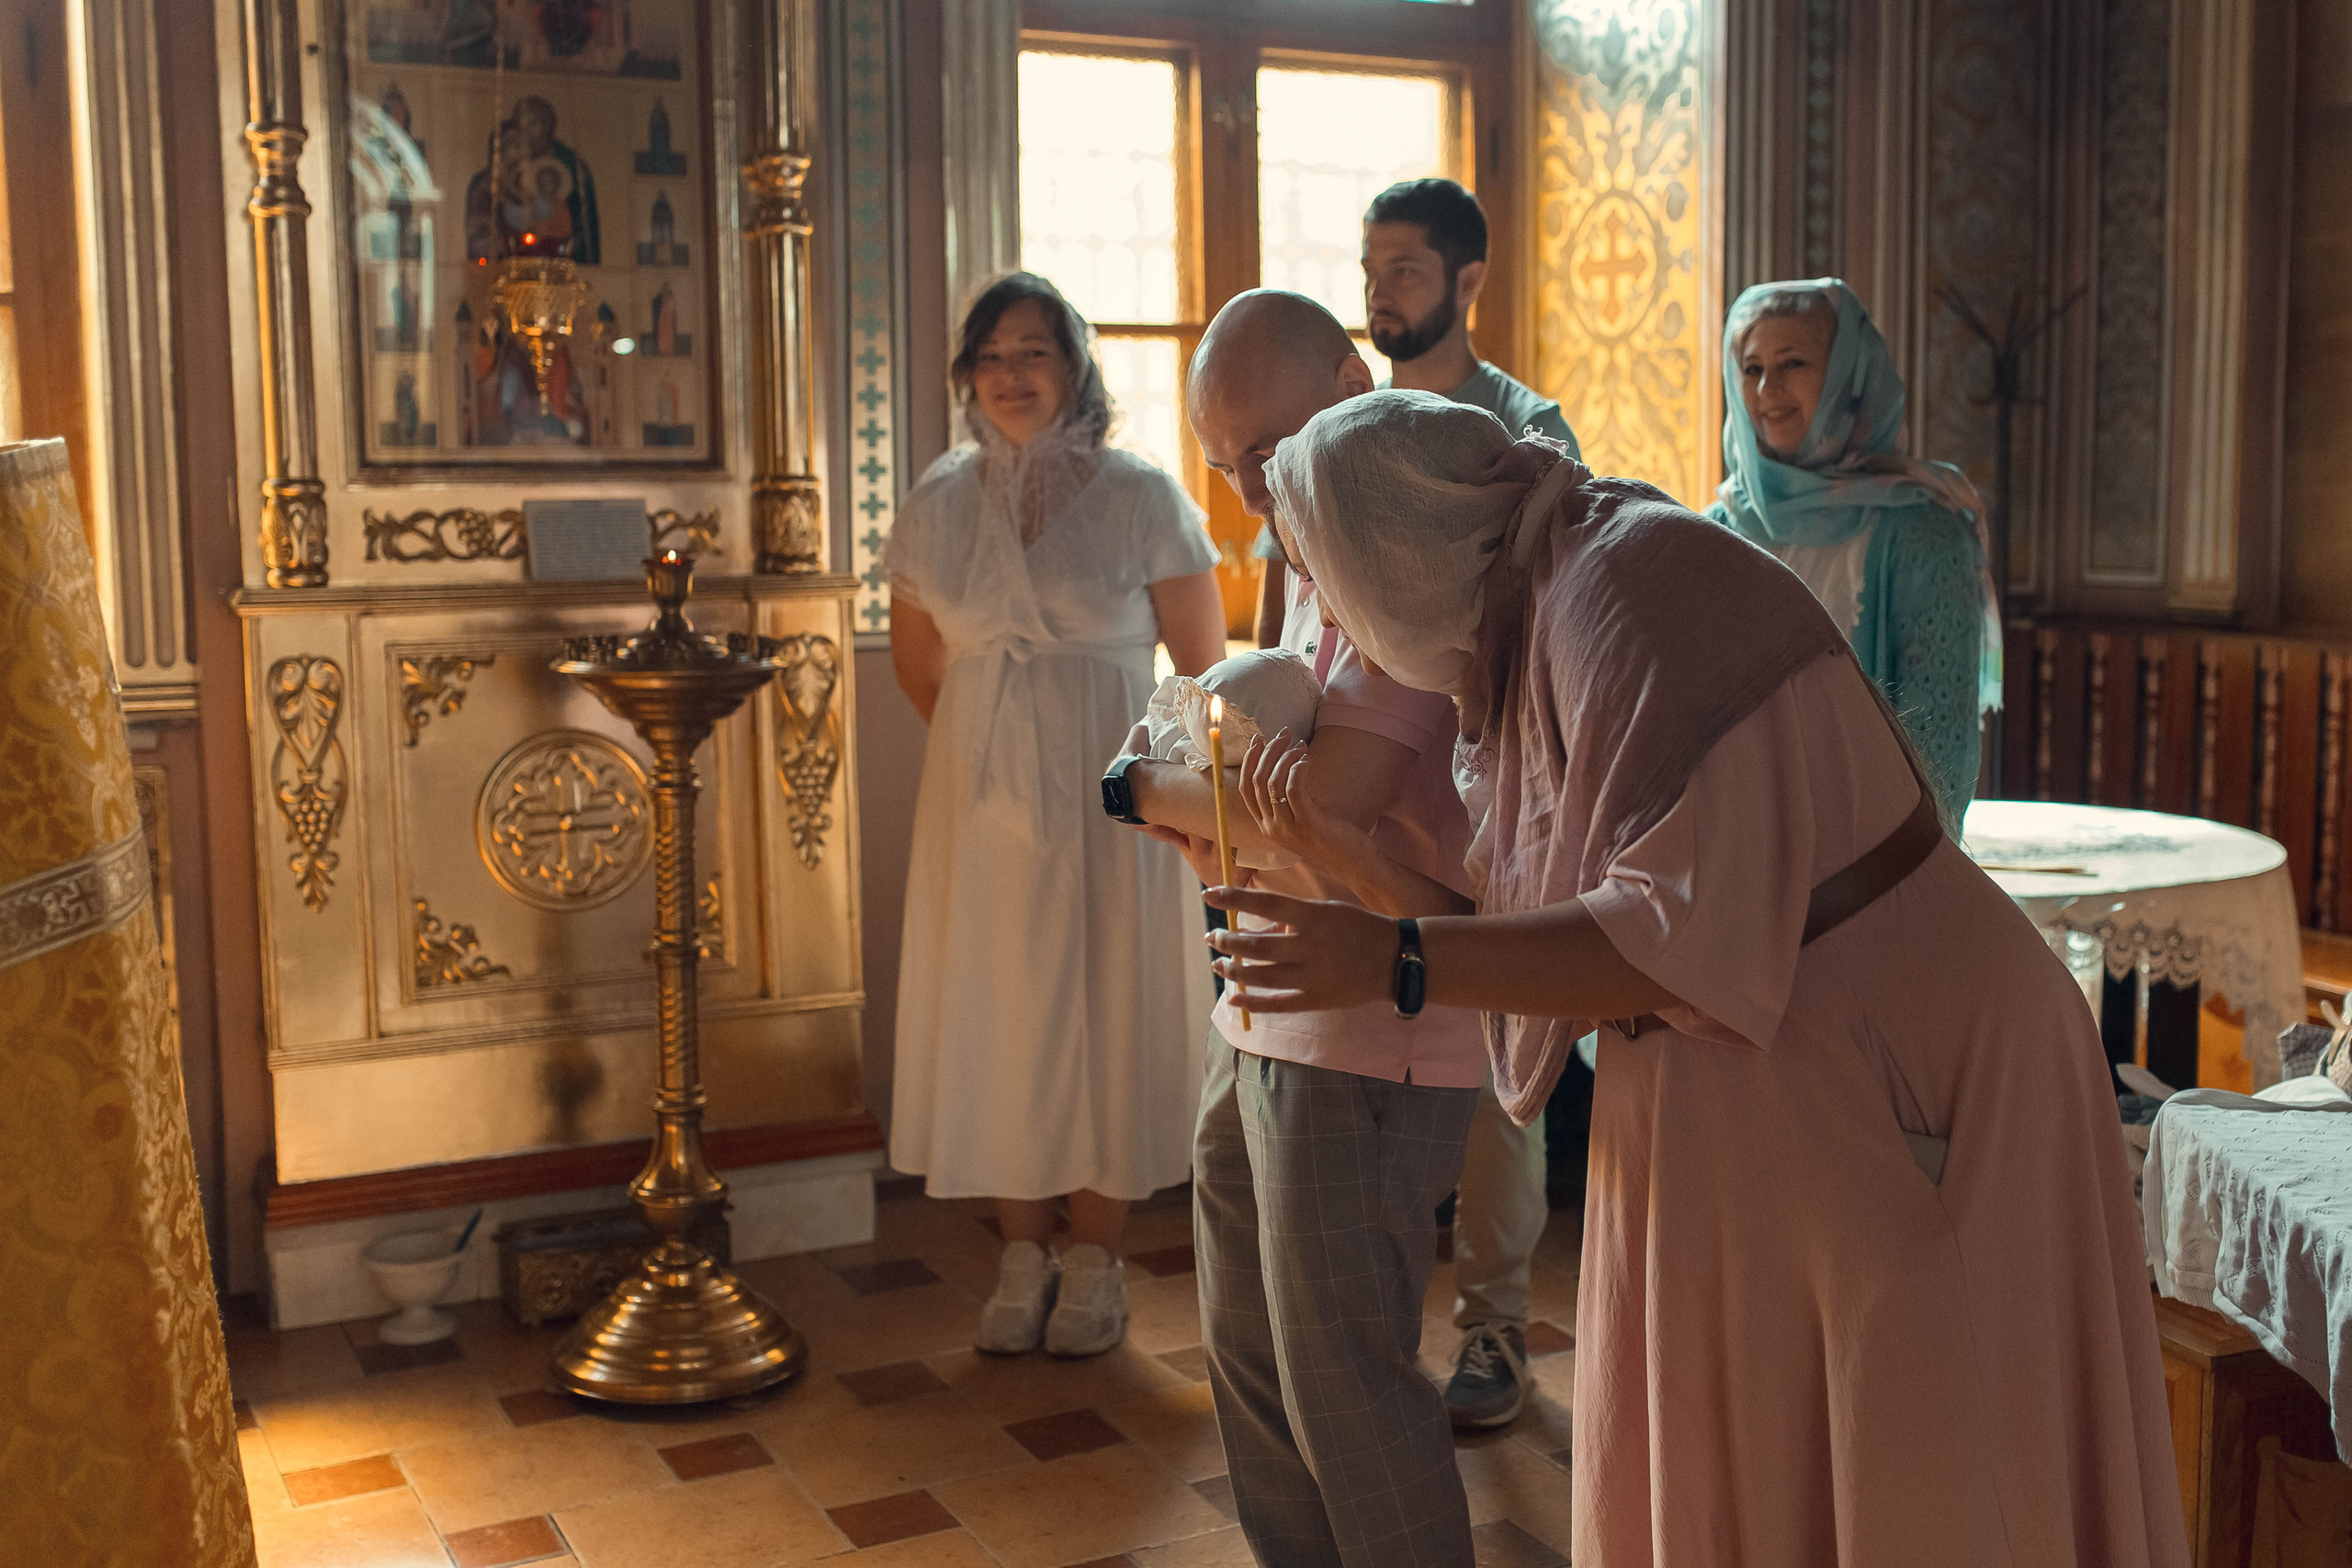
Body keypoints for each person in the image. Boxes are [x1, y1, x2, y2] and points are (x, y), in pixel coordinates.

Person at [1208, 389, 2190, 1567]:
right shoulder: (1546, 593)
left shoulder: (1626, 591)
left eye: (1336, 589)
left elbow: (1661, 929)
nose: (1352, 642)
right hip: (1756, 1076)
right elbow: (1542, 935)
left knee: (1917, 1467)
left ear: (1395, 554)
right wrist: (1344, 868)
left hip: (1890, 1073)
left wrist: (1394, 960)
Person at [1108, 289, 1486, 1567]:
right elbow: (1263, 774)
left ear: (1345, 378)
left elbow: (1326, 802)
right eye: (1226, 468)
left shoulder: (1404, 547)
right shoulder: (1306, 544)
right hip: (1262, 991)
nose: (1255, 494)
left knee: (1347, 1384)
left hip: (1376, 1020)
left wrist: (1165, 788)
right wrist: (1207, 799)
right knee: (1253, 1364)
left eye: (1265, 456)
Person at [884, 273, 1224, 1358]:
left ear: (1074, 366)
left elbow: (1204, 670)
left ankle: (1096, 1259)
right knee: (1004, 1007)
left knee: (1104, 998)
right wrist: (1001, 752)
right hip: (979, 801)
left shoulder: (1140, 493)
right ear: (968, 379)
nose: (1011, 375)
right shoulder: (938, 499)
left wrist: (1151, 788)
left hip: (1114, 790)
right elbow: (919, 665)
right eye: (991, 357)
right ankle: (1020, 1252)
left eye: (1033, 352)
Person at [1708, 278, 2000, 824]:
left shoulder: (1924, 535)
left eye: (1792, 363)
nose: (1768, 387)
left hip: (1875, 870)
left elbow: (1939, 757)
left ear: (1850, 375)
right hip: (1733, 857)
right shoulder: (1715, 529)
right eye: (1751, 369)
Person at [1250, 177, 1577, 647]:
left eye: (1403, 272)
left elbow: (1557, 606)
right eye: (1370, 272)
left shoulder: (1532, 430)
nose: (1378, 295)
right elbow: (1280, 609)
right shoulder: (1336, 422)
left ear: (1467, 281)